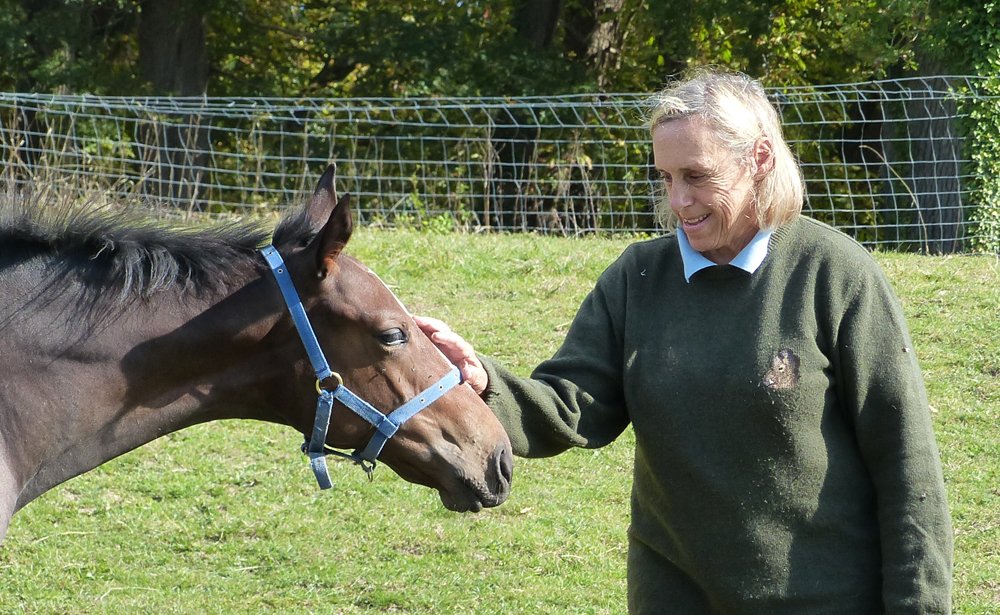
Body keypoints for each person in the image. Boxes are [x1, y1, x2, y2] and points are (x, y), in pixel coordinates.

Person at [416, 68, 953, 613]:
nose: (678, 200)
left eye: (696, 176)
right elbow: (573, 406)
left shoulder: (835, 275)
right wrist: (482, 382)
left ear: (760, 159)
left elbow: (906, 463)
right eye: (666, 177)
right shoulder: (637, 279)